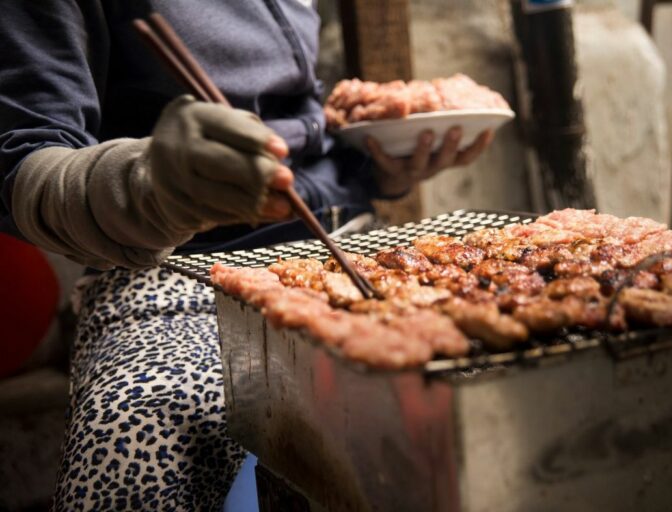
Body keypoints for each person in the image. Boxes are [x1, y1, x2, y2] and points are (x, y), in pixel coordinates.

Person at [0, 1, 495, 509]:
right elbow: (22, 162)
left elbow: (302, 129)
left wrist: (384, 168)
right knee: (131, 456)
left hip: (352, 242)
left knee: (475, 419)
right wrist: (153, 186)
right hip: (173, 272)